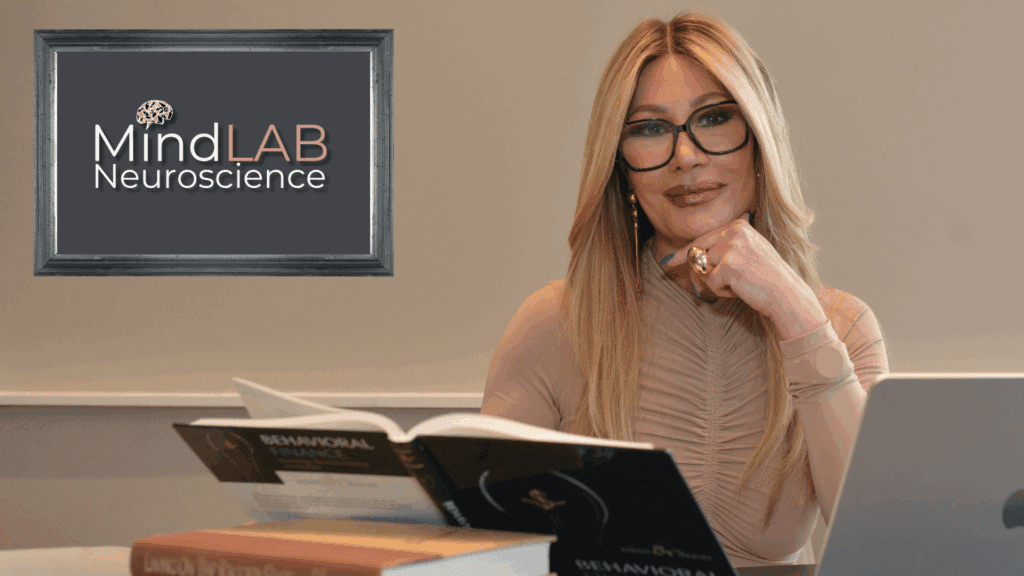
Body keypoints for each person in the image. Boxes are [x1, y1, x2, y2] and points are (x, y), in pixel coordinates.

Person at [481, 11, 889, 567]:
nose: (687, 157)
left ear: (759, 143)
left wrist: (798, 317)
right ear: (621, 167)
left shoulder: (843, 326)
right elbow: (489, 550)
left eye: (715, 118)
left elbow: (879, 537)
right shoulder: (555, 322)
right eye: (649, 129)